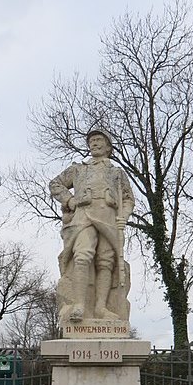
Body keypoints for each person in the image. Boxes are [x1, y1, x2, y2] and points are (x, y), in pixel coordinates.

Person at [49, 129, 135, 323]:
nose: (94, 144)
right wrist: (70, 201)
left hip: (108, 217)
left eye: (99, 140)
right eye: (92, 141)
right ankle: (79, 304)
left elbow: (129, 199)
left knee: (105, 261)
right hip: (83, 216)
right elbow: (55, 184)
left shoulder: (117, 173)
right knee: (82, 255)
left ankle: (100, 308)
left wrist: (124, 216)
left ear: (108, 147)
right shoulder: (79, 169)